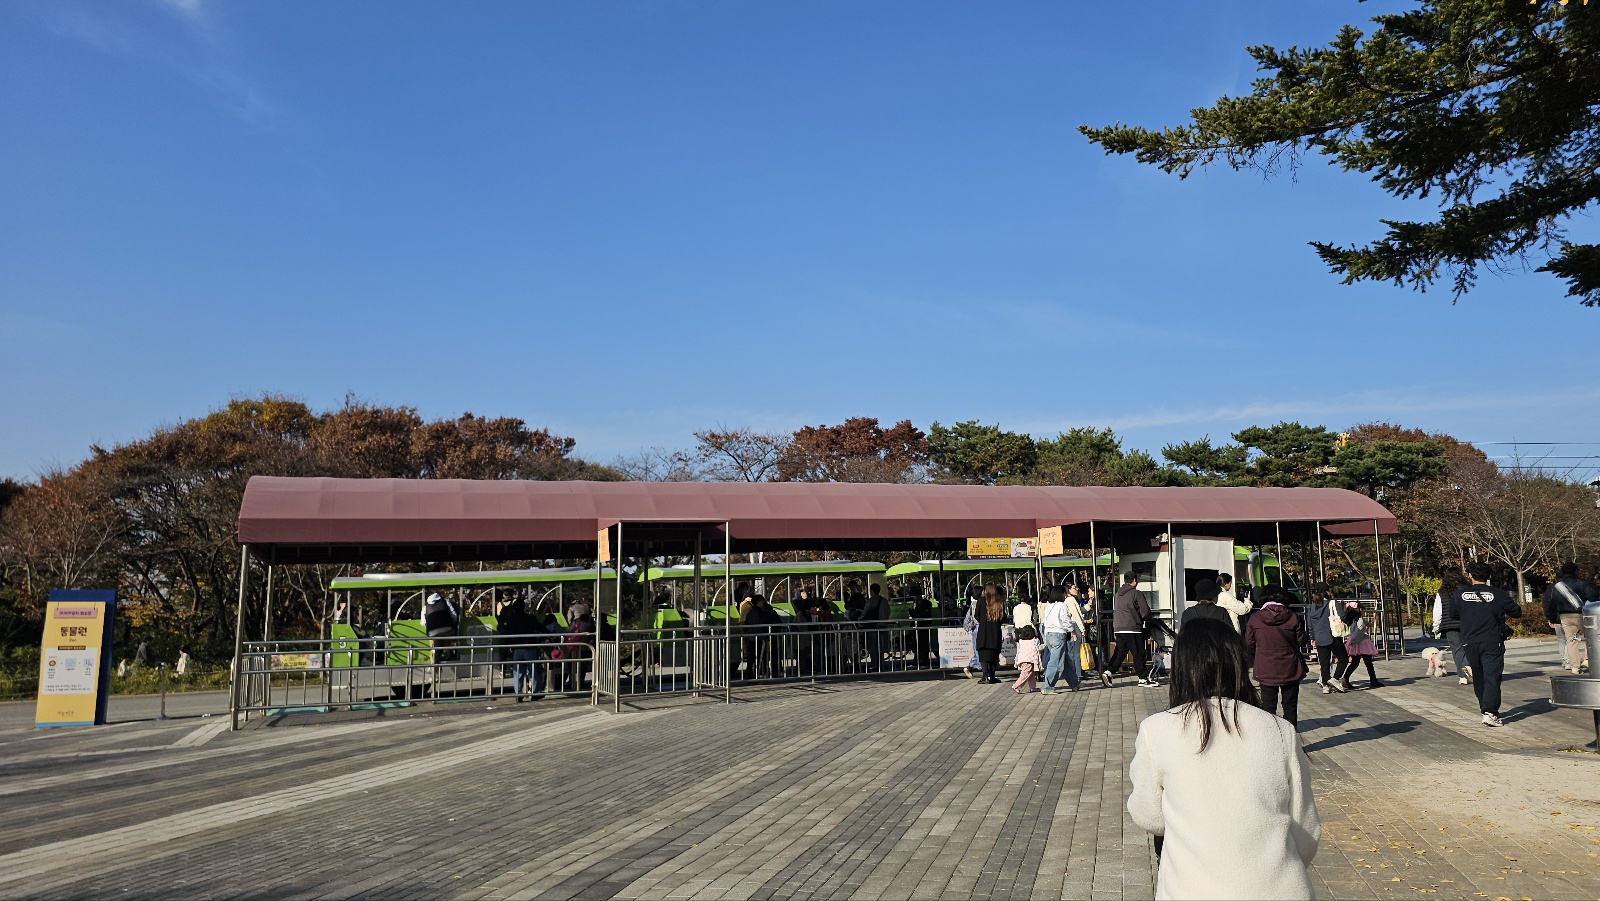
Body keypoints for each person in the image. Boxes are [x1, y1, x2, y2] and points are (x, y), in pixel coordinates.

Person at [1127, 617, 1320, 900]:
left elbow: (1150, 815)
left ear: (1181, 668)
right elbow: (1306, 828)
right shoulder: (1280, 730)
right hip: (1281, 889)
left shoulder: (1156, 730)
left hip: (1190, 890)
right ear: (1238, 664)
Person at [1447, 562, 1521, 727]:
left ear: (1470, 576)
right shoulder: (1498, 593)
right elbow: (1516, 612)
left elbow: (1453, 614)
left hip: (1469, 641)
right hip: (1492, 640)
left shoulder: (1460, 595)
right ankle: (1489, 712)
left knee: (1479, 676)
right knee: (1492, 676)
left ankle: (1485, 708)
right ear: (1489, 577)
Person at [1245, 586, 1309, 726]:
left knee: (1268, 708)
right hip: (1290, 667)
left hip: (1266, 668)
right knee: (1290, 706)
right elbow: (1301, 640)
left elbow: (1249, 642)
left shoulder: (1255, 619)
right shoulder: (1293, 617)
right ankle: (1291, 738)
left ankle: (1271, 739)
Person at [1103, 571, 1155, 688]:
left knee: (1120, 652)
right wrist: (1147, 619)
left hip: (1119, 628)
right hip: (1132, 628)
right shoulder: (1136, 593)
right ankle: (1143, 678)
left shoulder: (1117, 594)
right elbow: (1145, 611)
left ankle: (1109, 672)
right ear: (1135, 581)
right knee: (1139, 653)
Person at [1543, 562, 1595, 675]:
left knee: (1571, 640)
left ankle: (1575, 667)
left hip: (1564, 617)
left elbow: (1552, 603)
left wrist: (1551, 618)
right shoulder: (1582, 583)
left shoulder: (1558, 586)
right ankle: (1587, 659)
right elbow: (1593, 596)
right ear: (1576, 571)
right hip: (1581, 615)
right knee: (1591, 636)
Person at [1303, 585, 1349, 694]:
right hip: (1333, 636)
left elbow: (1310, 625)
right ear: (1327, 592)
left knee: (1324, 664)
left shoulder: (1310, 607)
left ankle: (1325, 686)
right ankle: (1335, 679)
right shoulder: (1332, 604)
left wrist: (1312, 637)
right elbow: (1343, 616)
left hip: (1319, 638)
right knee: (1343, 658)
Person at [497, 595, 542, 699]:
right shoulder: (530, 618)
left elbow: (506, 633)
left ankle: (519, 693)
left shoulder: (512, 621)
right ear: (524, 607)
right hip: (530, 647)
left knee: (518, 672)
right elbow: (540, 627)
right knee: (533, 671)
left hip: (517, 648)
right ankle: (535, 693)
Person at [1431, 571, 1469, 684]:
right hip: (1468, 624)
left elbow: (1438, 611)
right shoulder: (1468, 589)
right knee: (1469, 647)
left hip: (1450, 625)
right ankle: (1470, 668)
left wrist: (1436, 626)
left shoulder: (1442, 592)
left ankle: (1462, 676)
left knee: (1457, 650)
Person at [1335, 602, 1381, 691]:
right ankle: (1373, 680)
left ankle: (1345, 679)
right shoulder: (1359, 619)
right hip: (1362, 642)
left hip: (1355, 642)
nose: (1362, 610)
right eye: (1360, 608)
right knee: (1368, 663)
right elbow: (1360, 631)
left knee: (1355, 663)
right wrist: (1355, 640)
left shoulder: (1351, 619)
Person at [1040, 586, 1074, 694]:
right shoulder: (1062, 605)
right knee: (1055, 662)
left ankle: (1074, 683)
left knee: (1065, 661)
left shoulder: (1049, 606)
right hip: (1059, 634)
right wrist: (1072, 630)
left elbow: (1045, 622)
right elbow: (1066, 620)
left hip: (1049, 634)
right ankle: (1047, 686)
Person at [975, 585, 1007, 684]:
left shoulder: (981, 601)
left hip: (984, 630)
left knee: (983, 652)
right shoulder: (1000, 601)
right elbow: (1003, 617)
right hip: (995, 630)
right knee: (994, 652)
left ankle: (985, 675)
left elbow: (976, 615)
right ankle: (992, 676)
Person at [422, 592, 460, 662]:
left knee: (436, 644)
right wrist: (453, 623)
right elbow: (454, 615)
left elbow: (423, 622)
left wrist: (430, 628)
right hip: (446, 628)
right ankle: (447, 652)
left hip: (433, 632)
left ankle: (436, 657)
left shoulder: (425, 607)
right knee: (448, 637)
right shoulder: (446, 602)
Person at [1012, 625, 1042, 694]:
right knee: (1025, 674)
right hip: (1029, 660)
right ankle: (1015, 686)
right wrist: (1045, 645)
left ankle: (1033, 687)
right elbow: (1039, 648)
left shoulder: (1020, 641)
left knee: (1031, 674)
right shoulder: (1035, 640)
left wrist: (1016, 661)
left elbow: (1018, 652)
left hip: (1022, 659)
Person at [963, 585, 984, 679]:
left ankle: (971, 666)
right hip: (978, 629)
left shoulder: (973, 604)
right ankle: (976, 667)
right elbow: (976, 618)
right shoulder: (977, 604)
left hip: (975, 630)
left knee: (977, 651)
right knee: (979, 651)